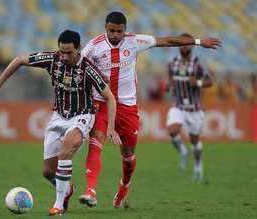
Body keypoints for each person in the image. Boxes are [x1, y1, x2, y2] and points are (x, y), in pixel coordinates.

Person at [79, 11, 221, 208]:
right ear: (105, 28)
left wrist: (198, 41)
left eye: (119, 31)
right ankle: (90, 190)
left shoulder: (134, 41)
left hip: (127, 107)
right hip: (101, 103)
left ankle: (124, 186)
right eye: (111, 30)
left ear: (124, 30)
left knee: (128, 158)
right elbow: (78, 66)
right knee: (96, 142)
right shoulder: (93, 46)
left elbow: (167, 41)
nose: (115, 35)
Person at [0, 30, 122, 216]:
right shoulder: (52, 59)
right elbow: (20, 59)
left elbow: (110, 98)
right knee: (48, 172)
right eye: (61, 51)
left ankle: (58, 205)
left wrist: (110, 127)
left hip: (82, 116)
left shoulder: (88, 69)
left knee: (65, 151)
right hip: (58, 117)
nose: (63, 56)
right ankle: (67, 189)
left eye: (68, 53)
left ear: (78, 50)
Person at [166, 33, 214, 182]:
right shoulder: (172, 63)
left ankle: (198, 166)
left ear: (192, 46)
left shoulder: (198, 64)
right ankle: (183, 151)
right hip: (178, 106)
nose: (184, 46)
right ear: (179, 45)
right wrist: (169, 87)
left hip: (194, 109)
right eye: (182, 44)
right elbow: (171, 81)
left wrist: (198, 83)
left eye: (187, 44)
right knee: (172, 131)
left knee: (195, 140)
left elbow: (210, 81)